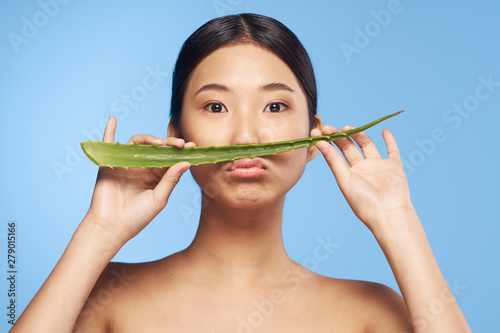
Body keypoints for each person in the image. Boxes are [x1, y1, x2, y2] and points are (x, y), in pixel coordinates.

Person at [12, 13, 471, 332]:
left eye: (275, 105)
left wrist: (398, 221)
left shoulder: (371, 311)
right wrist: (99, 231)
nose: (247, 135)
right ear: (177, 136)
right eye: (215, 106)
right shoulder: (106, 294)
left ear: (314, 136)